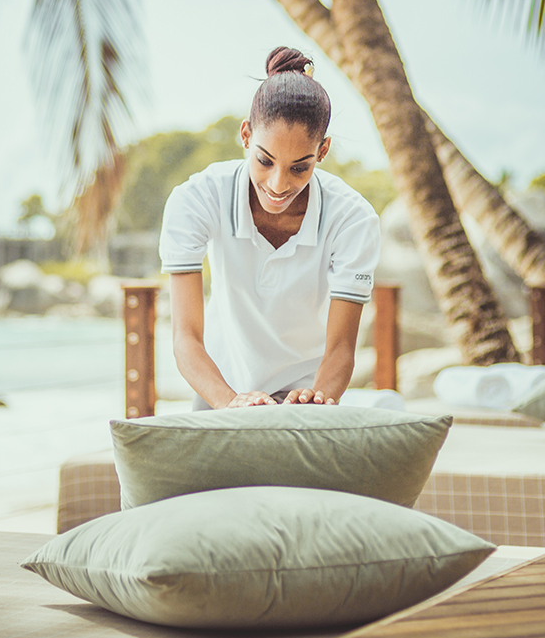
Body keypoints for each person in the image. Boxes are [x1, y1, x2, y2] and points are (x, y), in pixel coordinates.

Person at [157, 46, 381, 409]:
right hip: (220, 389)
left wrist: (315, 400)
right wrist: (232, 403)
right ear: (246, 135)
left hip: (307, 393)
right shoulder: (196, 199)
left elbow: (341, 349)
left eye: (299, 167)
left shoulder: (353, 219)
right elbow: (186, 339)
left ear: (322, 151)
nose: (278, 184)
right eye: (265, 161)